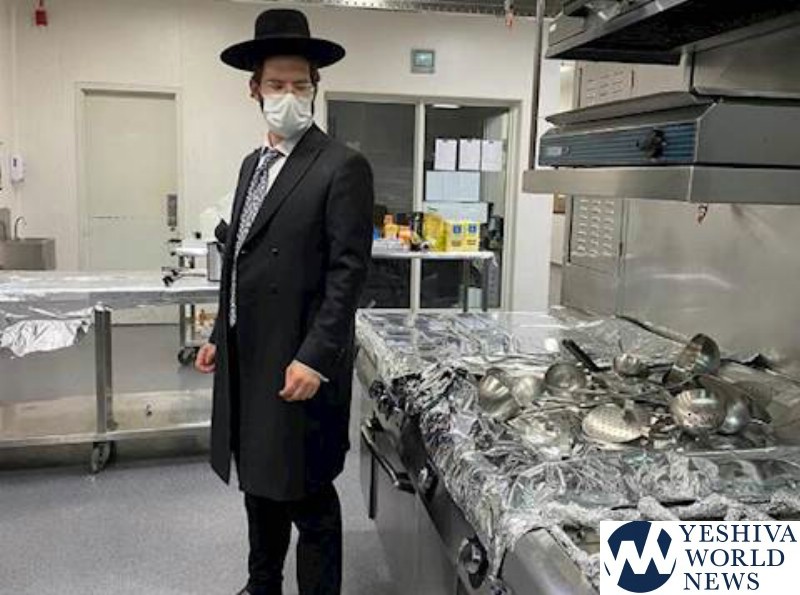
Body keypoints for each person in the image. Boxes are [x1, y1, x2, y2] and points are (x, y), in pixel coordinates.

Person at [194, 9, 374, 595]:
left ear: (315, 88)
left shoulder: (341, 166)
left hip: (299, 360)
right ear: (254, 89)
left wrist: (315, 357)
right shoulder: (253, 164)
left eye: (300, 84)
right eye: (276, 84)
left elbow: (348, 274)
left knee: (308, 497)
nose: (289, 96)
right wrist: (219, 334)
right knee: (259, 482)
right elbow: (241, 256)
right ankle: (261, 584)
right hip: (250, 355)